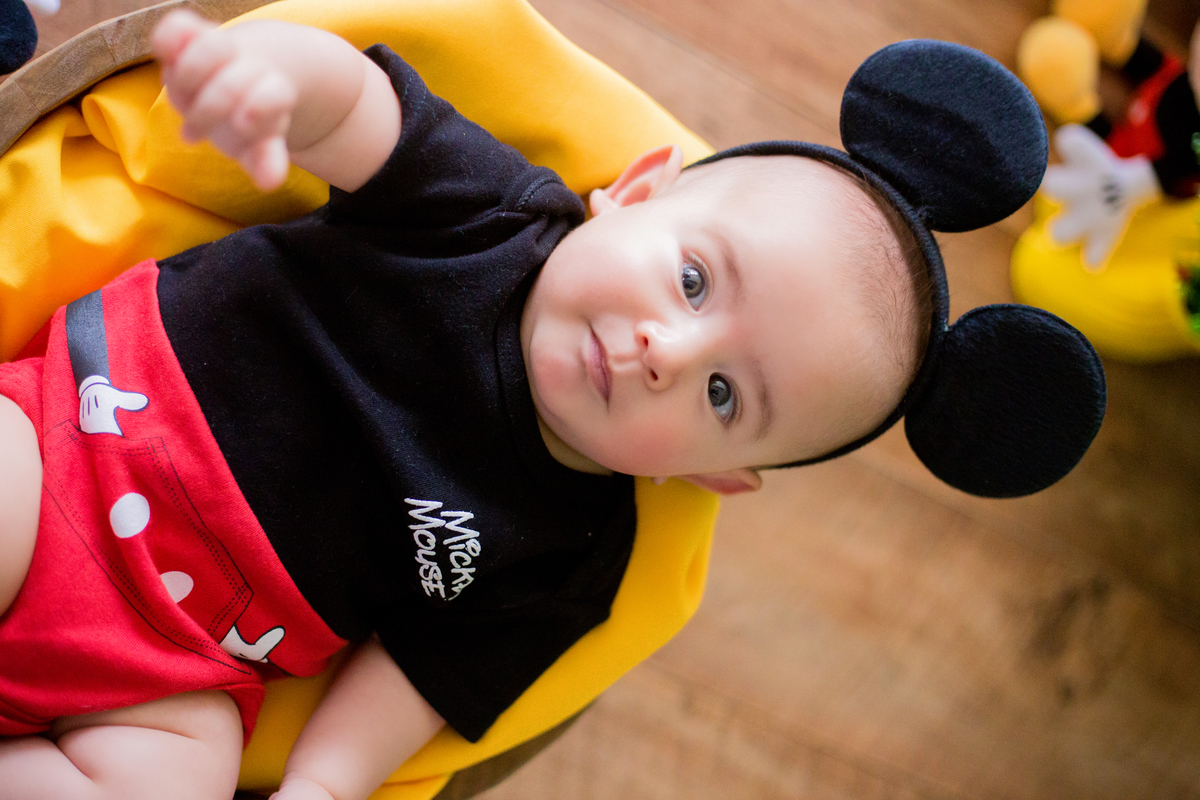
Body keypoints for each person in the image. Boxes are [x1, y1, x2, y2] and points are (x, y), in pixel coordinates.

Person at [0, 10, 1103, 800]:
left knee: (168, 782)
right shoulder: (480, 215)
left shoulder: (572, 551)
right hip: (71, 443)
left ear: (716, 475)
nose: (666, 350)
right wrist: (273, 79)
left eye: (726, 393)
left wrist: (327, 785)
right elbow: (357, 106)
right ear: (631, 191)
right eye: (692, 279)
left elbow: (418, 675)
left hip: (176, 668)